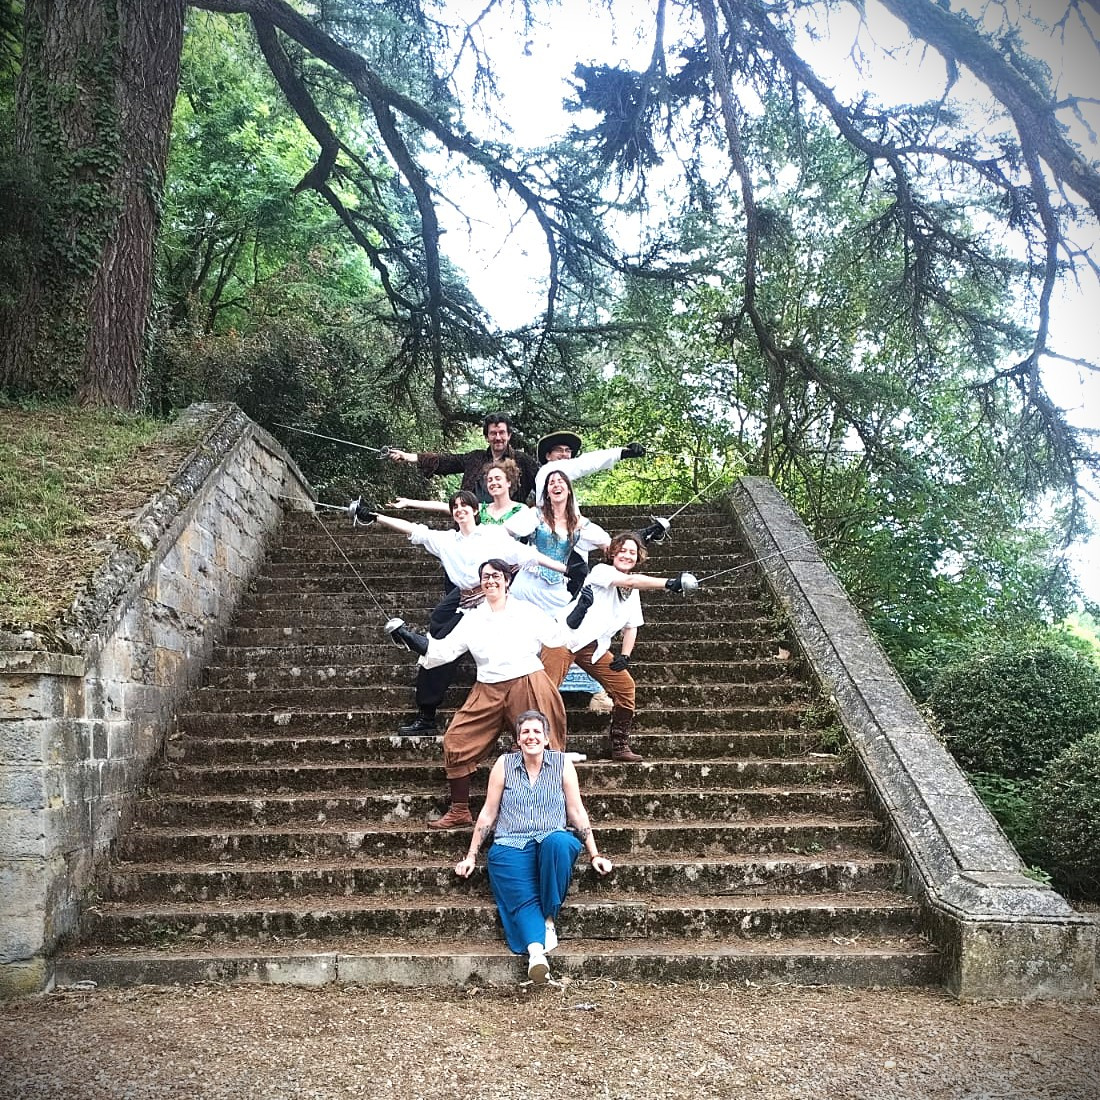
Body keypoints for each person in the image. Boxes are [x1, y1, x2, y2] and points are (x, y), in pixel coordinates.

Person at [352, 491, 565, 734]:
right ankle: (427, 715)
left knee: (513, 648)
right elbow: (414, 530)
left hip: (495, 598)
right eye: (455, 507)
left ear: (475, 510)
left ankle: (531, 714)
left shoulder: (493, 534)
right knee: (439, 644)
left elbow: (527, 555)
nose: (460, 510)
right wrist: (376, 517)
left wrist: (565, 569)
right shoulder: (447, 540)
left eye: (465, 506)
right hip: (464, 599)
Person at [386, 559, 571, 830]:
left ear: (507, 580)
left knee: (542, 746)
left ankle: (553, 812)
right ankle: (460, 810)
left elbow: (558, 638)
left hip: (527, 680)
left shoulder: (528, 611)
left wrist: (579, 613)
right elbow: (443, 652)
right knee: (457, 740)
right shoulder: (472, 619)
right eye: (485, 577)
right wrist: (409, 638)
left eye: (496, 576)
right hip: (487, 687)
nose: (490, 581)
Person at [454, 709, 613, 984]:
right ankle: (536, 953)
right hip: (511, 843)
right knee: (522, 895)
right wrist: (471, 856)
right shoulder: (504, 764)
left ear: (547, 738)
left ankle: (548, 918)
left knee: (560, 842)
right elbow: (489, 813)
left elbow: (576, 811)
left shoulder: (562, 764)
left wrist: (594, 853)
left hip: (549, 841)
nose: (531, 736)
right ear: (518, 739)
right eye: (525, 732)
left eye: (537, 731)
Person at [541, 531, 699, 762]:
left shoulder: (633, 592)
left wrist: (625, 655)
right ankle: (534, 746)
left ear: (638, 558)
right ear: (612, 553)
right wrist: (669, 583)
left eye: (632, 552)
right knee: (545, 690)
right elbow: (630, 581)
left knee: (625, 686)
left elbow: (631, 626)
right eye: (622, 550)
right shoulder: (601, 571)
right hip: (564, 638)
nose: (626, 555)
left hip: (592, 647)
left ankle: (619, 745)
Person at [533, 430, 670, 544]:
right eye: (559, 450)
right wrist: (622, 453)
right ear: (548, 456)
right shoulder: (547, 470)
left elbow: (603, 542)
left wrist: (643, 536)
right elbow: (585, 463)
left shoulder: (569, 499)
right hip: (549, 542)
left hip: (570, 539)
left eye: (568, 451)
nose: (564, 454)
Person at [508, 468, 610, 614]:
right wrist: (518, 556)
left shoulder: (579, 523)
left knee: (564, 621)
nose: (556, 485)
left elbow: (607, 543)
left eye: (560, 481)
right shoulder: (536, 515)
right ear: (547, 493)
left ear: (569, 491)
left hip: (557, 588)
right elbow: (505, 532)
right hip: (528, 582)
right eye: (551, 483)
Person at [387, 412, 539, 503]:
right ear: (486, 437)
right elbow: (446, 461)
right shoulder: (475, 458)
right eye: (493, 433)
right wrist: (409, 457)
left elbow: (542, 485)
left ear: (509, 435)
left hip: (509, 530)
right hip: (472, 525)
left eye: (502, 433)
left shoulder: (523, 461)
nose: (498, 437)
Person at [389, 459, 535, 537]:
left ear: (508, 482)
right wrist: (408, 502)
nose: (493, 483)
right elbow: (443, 506)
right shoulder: (482, 509)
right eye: (490, 480)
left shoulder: (521, 510)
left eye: (498, 478)